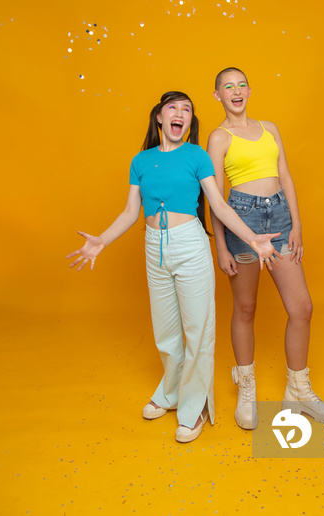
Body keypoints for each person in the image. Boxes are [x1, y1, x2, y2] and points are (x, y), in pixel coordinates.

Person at [66, 90, 281, 443]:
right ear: (160, 118)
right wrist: (102, 241)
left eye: (187, 110)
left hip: (190, 246)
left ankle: (194, 408)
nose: (181, 114)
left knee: (198, 330)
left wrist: (254, 237)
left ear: (188, 122)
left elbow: (220, 206)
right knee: (166, 331)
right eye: (173, 108)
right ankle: (169, 393)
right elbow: (130, 212)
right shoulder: (140, 160)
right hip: (154, 248)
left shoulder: (196, 156)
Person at [207, 68, 324, 429]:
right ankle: (247, 390)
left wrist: (296, 224)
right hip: (243, 222)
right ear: (218, 95)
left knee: (302, 307)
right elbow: (216, 198)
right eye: (227, 87)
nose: (236, 92)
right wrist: (220, 246)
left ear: (249, 90)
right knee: (246, 307)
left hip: (280, 220)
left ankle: (298, 391)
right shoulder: (219, 137)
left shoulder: (270, 128)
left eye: (241, 85)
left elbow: (285, 175)